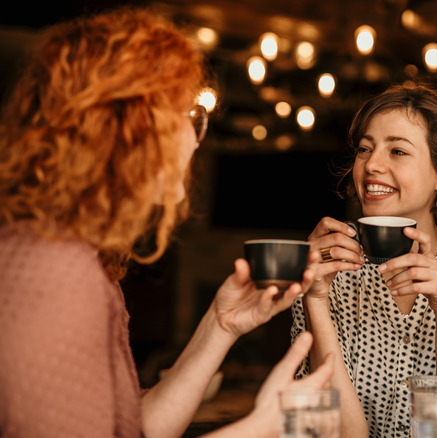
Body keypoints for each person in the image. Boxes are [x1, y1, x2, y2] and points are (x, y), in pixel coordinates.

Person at [0, 8, 333, 438]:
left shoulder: (79, 256)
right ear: (123, 130)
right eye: (185, 116)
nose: (196, 137)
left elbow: (136, 426)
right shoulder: (54, 271)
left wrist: (220, 323)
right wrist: (258, 429)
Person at [290, 83, 437, 437]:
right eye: (365, 149)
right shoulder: (324, 263)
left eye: (397, 151)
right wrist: (315, 299)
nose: (372, 165)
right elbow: (322, 430)